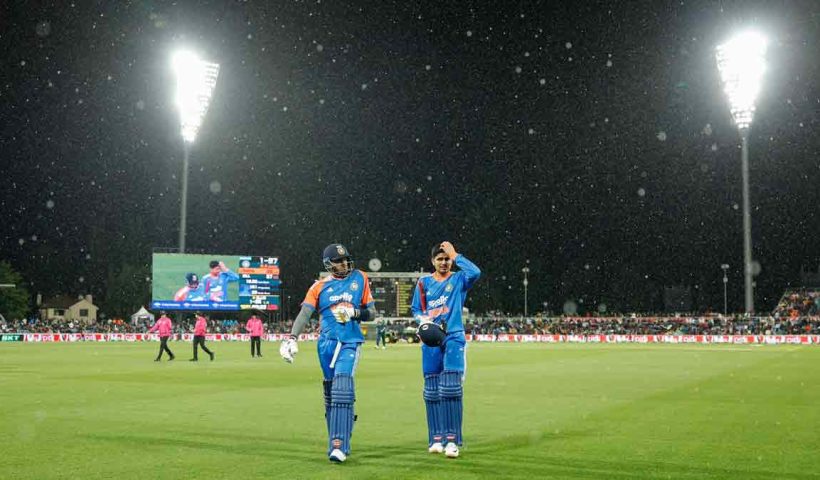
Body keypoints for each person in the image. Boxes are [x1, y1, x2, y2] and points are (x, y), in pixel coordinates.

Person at [279, 243, 376, 463]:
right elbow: (305, 313)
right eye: (339, 261)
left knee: (342, 387)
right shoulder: (318, 287)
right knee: (331, 393)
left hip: (349, 341)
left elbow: (371, 313)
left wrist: (355, 312)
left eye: (346, 259)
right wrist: (292, 338)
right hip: (325, 345)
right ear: (328, 264)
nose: (344, 263)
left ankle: (339, 445)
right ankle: (337, 438)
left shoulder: (360, 278)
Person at [411, 241, 480, 458]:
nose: (444, 262)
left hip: (453, 337)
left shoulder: (459, 279)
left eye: (446, 259)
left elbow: (475, 272)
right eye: (440, 259)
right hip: (431, 340)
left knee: (450, 388)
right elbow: (416, 309)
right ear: (432, 261)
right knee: (431, 390)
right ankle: (436, 439)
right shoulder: (423, 283)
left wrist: (456, 254)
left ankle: (452, 440)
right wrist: (423, 322)